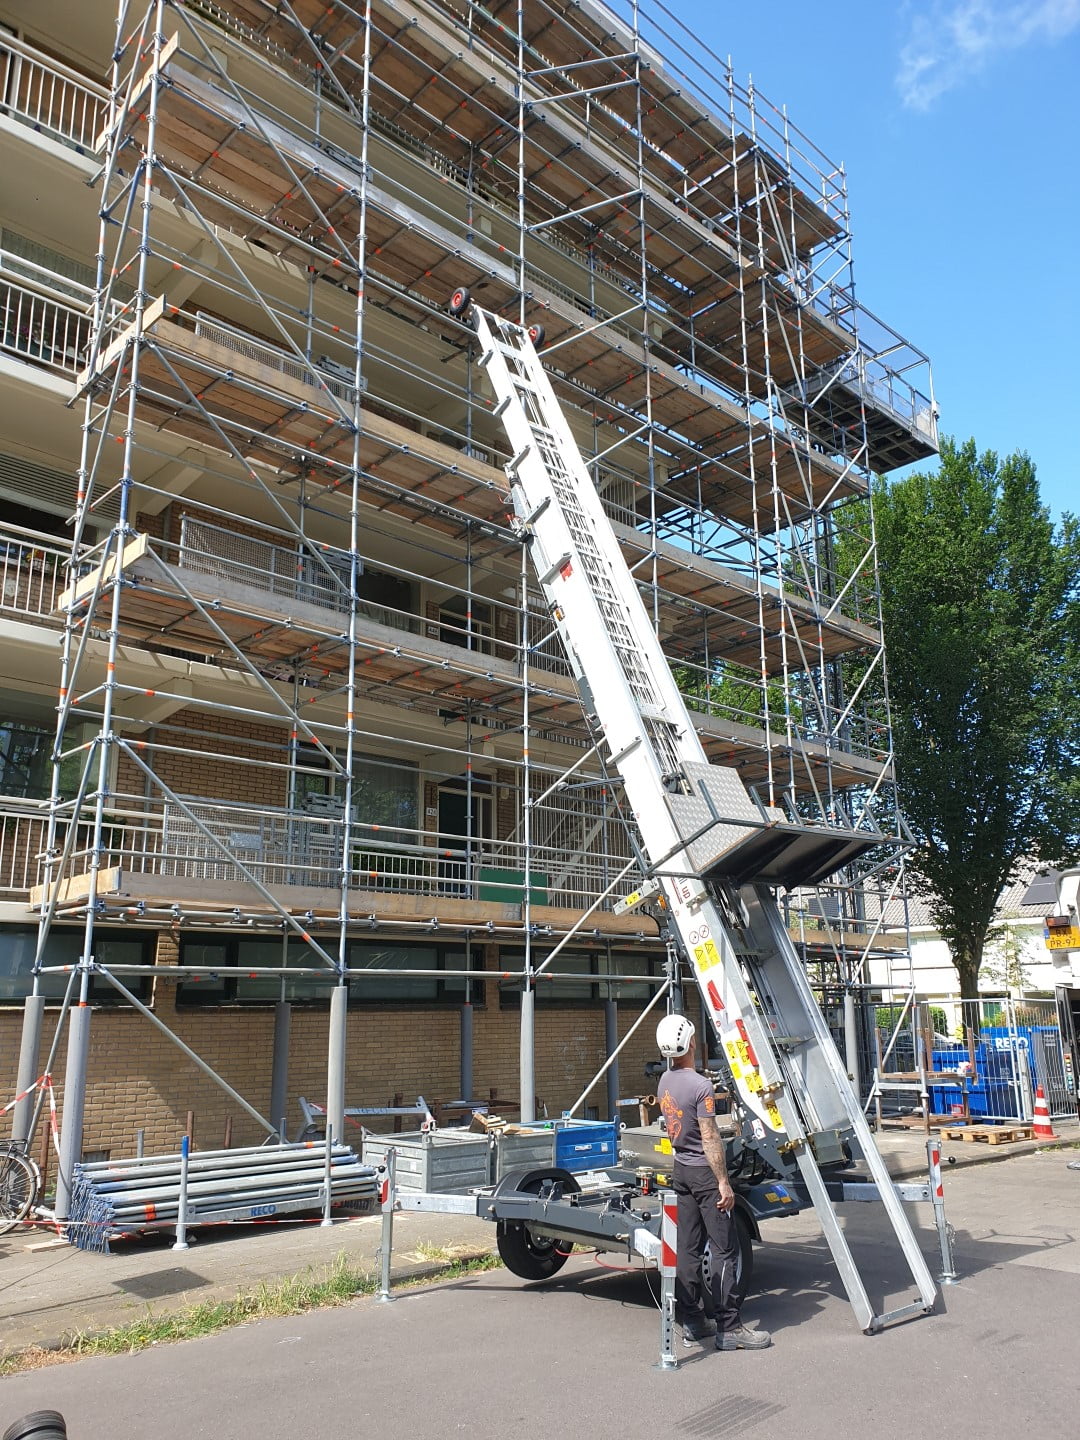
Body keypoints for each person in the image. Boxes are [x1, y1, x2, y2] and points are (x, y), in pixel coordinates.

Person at [655, 1012, 772, 1351]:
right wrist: (723, 1182)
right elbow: (709, 1136)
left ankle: (693, 1321)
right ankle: (729, 1327)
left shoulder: (664, 1081)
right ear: (692, 1042)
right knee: (723, 1248)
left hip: (681, 1170)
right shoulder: (701, 1086)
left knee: (688, 1248)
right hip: (704, 1174)